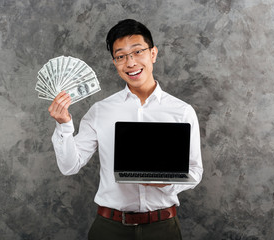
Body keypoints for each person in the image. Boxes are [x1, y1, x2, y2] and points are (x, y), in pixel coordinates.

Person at [48, 19, 203, 240]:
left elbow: (195, 171)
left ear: (153, 54)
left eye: (138, 51)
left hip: (163, 228)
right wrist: (64, 124)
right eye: (120, 56)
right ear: (114, 62)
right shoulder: (101, 111)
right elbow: (69, 166)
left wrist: (165, 183)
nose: (130, 62)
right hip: (110, 229)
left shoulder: (181, 111)